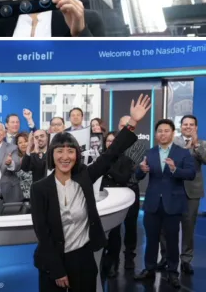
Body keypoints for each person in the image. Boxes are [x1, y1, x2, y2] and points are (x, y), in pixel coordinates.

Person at [30, 94, 150, 291]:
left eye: (71, 151)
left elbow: (111, 154)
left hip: (83, 259)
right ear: (52, 155)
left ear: (77, 155)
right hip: (53, 263)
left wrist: (133, 122)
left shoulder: (84, 176)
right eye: (59, 151)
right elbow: (43, 235)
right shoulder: (40, 188)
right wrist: (58, 270)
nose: (65, 156)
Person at [134, 118, 196, 287]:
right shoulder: (150, 152)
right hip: (152, 203)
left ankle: (172, 271)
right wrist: (141, 170)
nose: (163, 134)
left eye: (166, 131)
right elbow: (138, 176)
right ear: (156, 134)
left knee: (172, 239)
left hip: (173, 203)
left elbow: (191, 173)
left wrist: (176, 170)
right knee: (151, 238)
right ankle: (149, 269)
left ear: (172, 133)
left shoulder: (182, 153)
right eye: (160, 131)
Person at [100, 131, 137, 279]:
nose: (110, 143)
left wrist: (108, 168)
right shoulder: (99, 159)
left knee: (115, 234)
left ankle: (114, 264)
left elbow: (123, 179)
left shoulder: (126, 160)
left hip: (117, 202)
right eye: (107, 141)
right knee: (102, 234)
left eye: (112, 141)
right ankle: (102, 262)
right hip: (102, 200)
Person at [173, 115, 206, 275]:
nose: (188, 127)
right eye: (185, 124)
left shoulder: (203, 144)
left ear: (196, 127)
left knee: (188, 227)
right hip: (174, 189)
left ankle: (186, 260)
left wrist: (196, 144)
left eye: (191, 124)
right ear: (181, 126)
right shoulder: (173, 142)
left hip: (193, 191)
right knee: (169, 227)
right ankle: (166, 258)